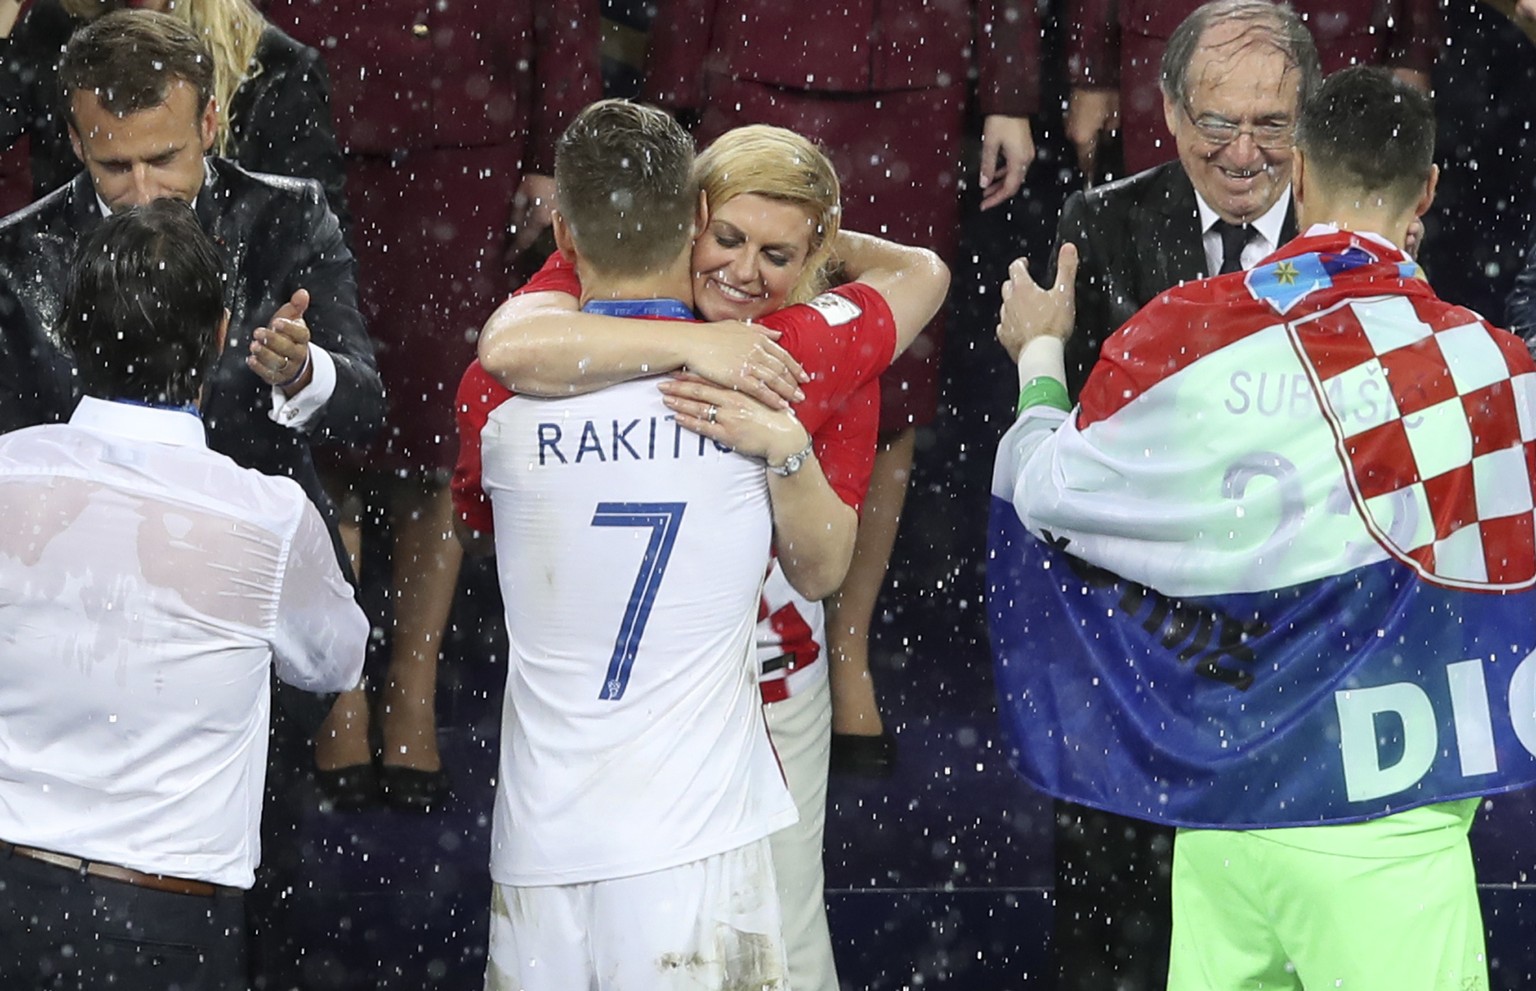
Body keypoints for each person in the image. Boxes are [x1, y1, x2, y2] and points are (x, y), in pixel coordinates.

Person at [992, 64, 1531, 990]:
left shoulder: (1181, 335)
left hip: (1224, 814)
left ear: (1301, 170)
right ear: (1429, 189)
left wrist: (1040, 353)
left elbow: (1044, 493)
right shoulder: (1495, 374)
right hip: (1390, 822)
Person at [473, 123, 950, 991]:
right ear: (686, 218)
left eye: (778, 252)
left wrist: (781, 436)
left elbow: (502, 358)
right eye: (725, 237)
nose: (742, 272)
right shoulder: (794, 352)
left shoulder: (804, 349)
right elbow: (923, 275)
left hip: (771, 679)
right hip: (669, 733)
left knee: (795, 929)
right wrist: (696, 344)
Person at [1005, 2, 1319, 985]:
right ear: (1172, 113)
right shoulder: (1098, 227)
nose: (1243, 151)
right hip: (1139, 653)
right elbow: (1073, 473)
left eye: (1271, 124)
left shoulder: (1349, 237)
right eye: (1218, 122)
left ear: (1307, 122)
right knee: (1120, 934)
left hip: (1302, 648)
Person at [644, 0, 1041, 767]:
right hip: (757, 55)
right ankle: (732, 637)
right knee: (724, 312)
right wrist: (672, 86)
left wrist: (1009, 91)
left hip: (914, 71)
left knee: (891, 373)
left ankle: (845, 645)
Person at [0, 199, 367, 990]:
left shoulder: (5, 472)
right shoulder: (269, 519)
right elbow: (335, 659)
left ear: (70, 332)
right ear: (222, 336)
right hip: (167, 924)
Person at [261, 0, 601, 811]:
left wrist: (556, 149)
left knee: (431, 426)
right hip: (301, 98)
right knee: (315, 404)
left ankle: (411, 685)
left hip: (464, 120)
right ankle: (337, 684)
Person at [0, 8, 382, 555]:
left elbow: (363, 409)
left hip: (253, 556)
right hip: (76, 567)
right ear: (78, 144)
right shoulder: (16, 258)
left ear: (208, 124)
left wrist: (302, 372)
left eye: (162, 159)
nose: (144, 191)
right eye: (114, 165)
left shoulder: (287, 219)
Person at [0, 0, 347, 221]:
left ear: (209, 121)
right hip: (74, 304)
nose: (142, 191)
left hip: (222, 309)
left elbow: (312, 229)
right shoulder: (52, 29)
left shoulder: (276, 68)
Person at [1064, 0, 1440, 180]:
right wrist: (1093, 68)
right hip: (1169, 34)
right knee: (1168, 238)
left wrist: (1413, 48)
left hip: (1342, 33)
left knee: (1329, 262)